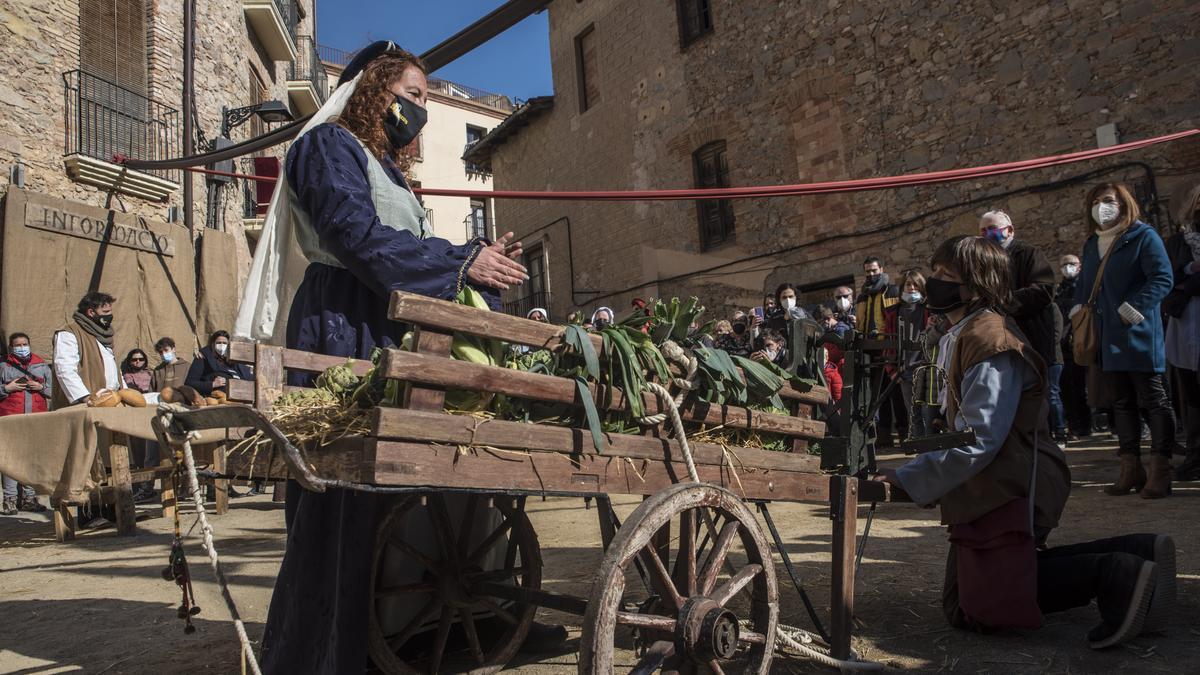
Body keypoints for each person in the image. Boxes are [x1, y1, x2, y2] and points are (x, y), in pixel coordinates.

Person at [234, 42, 554, 673]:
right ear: (372, 90)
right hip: (343, 323)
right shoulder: (327, 147)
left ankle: (421, 632)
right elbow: (353, 237)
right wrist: (457, 261)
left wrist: (475, 261)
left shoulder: (386, 169)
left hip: (397, 328)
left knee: (408, 491)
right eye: (412, 95)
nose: (420, 110)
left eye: (426, 100)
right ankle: (327, 652)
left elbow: (408, 244)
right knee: (345, 498)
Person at [877, 235, 1173, 649]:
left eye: (946, 276)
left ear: (976, 288)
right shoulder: (963, 332)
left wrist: (911, 477)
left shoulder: (992, 342)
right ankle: (1138, 552)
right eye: (936, 272)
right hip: (992, 484)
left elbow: (981, 437)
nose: (933, 282)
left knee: (976, 610)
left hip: (1013, 484)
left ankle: (1113, 574)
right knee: (961, 605)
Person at [1072, 183, 1176, 499]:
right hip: (1106, 337)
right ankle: (1130, 467)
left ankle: (1161, 468)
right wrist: (1077, 309)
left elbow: (1162, 278)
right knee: (1121, 402)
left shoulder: (1143, 236)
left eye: (1108, 201)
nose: (1101, 206)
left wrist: (1133, 309)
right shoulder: (1092, 244)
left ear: (1123, 204)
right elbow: (1085, 285)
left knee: (1154, 399)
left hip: (1137, 332)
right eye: (1095, 201)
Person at [979, 210, 1059, 370]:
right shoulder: (983, 263)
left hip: (1032, 343)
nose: (988, 233)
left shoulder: (1029, 254)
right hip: (1001, 347)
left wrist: (1001, 303)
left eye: (993, 227)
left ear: (1010, 230)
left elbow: (1044, 290)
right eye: (983, 230)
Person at [1164, 184, 1200, 481]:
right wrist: (1190, 271)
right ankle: (1196, 453)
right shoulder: (1178, 241)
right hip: (1187, 319)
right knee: (1191, 391)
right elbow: (1168, 275)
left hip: (1189, 302)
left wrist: (1188, 285)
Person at [0, 333, 52, 515]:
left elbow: (53, 390)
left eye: (25, 344)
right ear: (11, 348)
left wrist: (42, 388)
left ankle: (29, 498)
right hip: (10, 418)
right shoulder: (3, 367)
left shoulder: (41, 364)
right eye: (18, 345)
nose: (22, 347)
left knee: (31, 459)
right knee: (10, 459)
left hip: (36, 418)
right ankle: (10, 500)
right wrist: (7, 388)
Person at [856, 257, 904, 446]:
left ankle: (903, 431)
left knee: (896, 392)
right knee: (878, 394)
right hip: (871, 350)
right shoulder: (862, 296)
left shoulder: (892, 290)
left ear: (881, 269)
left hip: (890, 348)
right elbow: (860, 322)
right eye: (868, 271)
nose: (871, 274)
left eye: (874, 270)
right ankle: (884, 435)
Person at [884, 270, 935, 439]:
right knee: (913, 413)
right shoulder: (893, 312)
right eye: (908, 284)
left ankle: (930, 447)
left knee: (929, 411)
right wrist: (891, 370)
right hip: (904, 371)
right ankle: (918, 448)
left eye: (915, 284)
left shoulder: (930, 310)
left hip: (927, 368)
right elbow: (888, 343)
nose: (912, 287)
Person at [52, 291, 124, 408]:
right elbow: (65, 369)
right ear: (91, 312)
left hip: (111, 402)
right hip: (85, 406)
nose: (109, 316)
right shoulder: (70, 333)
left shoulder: (105, 336)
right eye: (105, 312)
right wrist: (86, 398)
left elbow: (114, 370)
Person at [1055, 254, 1092, 438]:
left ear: (1079, 266)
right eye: (1064, 264)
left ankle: (1086, 424)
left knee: (1086, 386)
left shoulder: (1085, 287)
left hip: (1083, 341)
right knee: (1069, 388)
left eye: (1071, 264)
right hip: (1065, 345)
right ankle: (1076, 425)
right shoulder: (1060, 289)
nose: (1067, 267)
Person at [121, 348, 159, 502]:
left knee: (152, 451)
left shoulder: (152, 374)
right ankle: (140, 487)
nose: (137, 362)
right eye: (134, 360)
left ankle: (148, 487)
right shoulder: (125, 377)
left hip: (151, 413)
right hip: (135, 415)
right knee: (137, 452)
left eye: (140, 359)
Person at [185, 331, 252, 398]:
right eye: (218, 343)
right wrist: (212, 384)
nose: (222, 346)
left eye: (225, 343)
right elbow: (189, 383)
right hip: (219, 400)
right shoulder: (204, 358)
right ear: (213, 344)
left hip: (242, 398)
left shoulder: (235, 363)